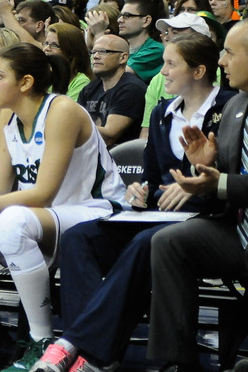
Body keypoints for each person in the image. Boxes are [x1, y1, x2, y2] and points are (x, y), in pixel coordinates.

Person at [31, 32, 231, 372]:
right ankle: (93, 353)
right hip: (158, 215)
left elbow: (232, 174)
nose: (163, 72)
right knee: (79, 237)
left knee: (144, 244)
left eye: (171, 64)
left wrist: (199, 186)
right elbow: (152, 177)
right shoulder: (162, 112)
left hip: (204, 217)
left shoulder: (228, 108)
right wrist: (139, 191)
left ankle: (80, 348)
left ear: (198, 71)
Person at [0, 44, 125, 372]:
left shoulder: (62, 110)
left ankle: (42, 341)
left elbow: (42, 194)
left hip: (97, 211)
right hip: (51, 216)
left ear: (25, 83)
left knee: (13, 221)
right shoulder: (8, 117)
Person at [145, 20, 248, 369]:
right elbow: (224, 179)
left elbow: (226, 185)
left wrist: (217, 183)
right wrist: (205, 167)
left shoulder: (227, 104)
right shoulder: (237, 107)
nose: (222, 61)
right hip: (235, 228)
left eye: (229, 53)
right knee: (168, 240)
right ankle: (175, 362)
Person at [44, 22, 93, 101]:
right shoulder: (46, 76)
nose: (46, 48)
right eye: (46, 43)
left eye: (54, 45)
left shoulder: (81, 81)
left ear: (70, 52)